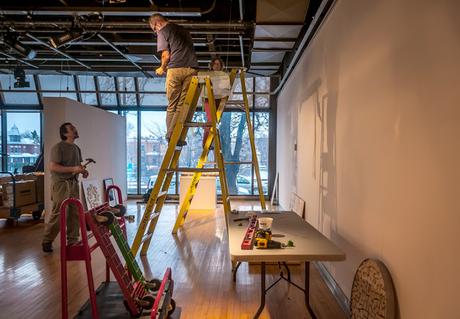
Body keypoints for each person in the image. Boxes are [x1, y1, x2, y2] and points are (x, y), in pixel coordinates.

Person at [149, 13, 199, 145]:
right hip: (192, 69)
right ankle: (177, 137)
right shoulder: (184, 30)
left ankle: (171, 136)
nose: (156, 32)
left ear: (157, 24)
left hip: (175, 69)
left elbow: (166, 55)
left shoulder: (163, 31)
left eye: (154, 29)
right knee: (182, 105)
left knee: (172, 105)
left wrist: (161, 68)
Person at [42, 123, 89, 253]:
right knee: (59, 213)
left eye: (75, 128)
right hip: (61, 185)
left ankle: (73, 241)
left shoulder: (76, 148)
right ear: (65, 133)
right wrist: (74, 169)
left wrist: (82, 171)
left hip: (73, 184)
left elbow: (77, 165)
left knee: (75, 213)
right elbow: (53, 167)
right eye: (72, 129)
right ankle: (47, 240)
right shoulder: (58, 148)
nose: (75, 130)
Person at [201, 57, 230, 148]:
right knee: (211, 121)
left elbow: (226, 88)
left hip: (219, 100)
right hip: (208, 99)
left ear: (221, 66)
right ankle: (206, 143)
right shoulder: (208, 75)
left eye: (218, 64)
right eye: (215, 64)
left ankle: (212, 142)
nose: (216, 66)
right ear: (212, 65)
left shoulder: (223, 76)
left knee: (216, 121)